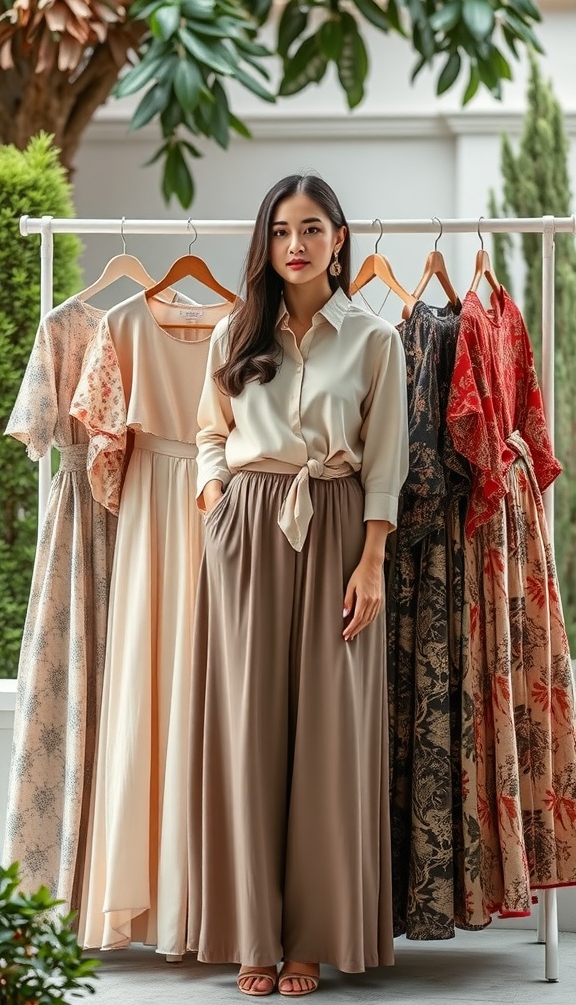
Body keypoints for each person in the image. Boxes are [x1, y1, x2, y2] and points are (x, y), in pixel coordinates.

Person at [187, 173, 409, 997]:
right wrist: (216, 505)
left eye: (312, 228)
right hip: (248, 527)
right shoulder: (234, 333)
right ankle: (253, 934)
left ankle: (310, 939)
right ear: (267, 241)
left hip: (339, 523)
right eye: (281, 230)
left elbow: (388, 458)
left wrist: (372, 559)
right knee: (248, 731)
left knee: (330, 737)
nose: (295, 245)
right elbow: (209, 433)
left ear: (339, 238)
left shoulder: (375, 339)